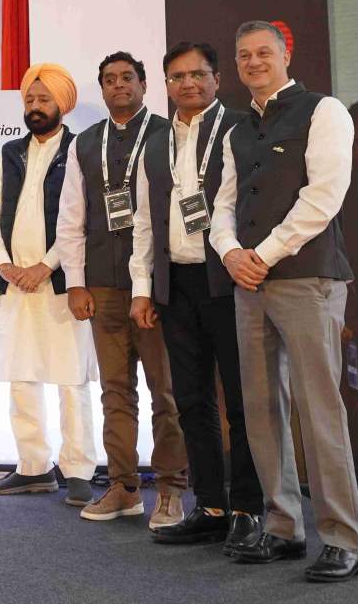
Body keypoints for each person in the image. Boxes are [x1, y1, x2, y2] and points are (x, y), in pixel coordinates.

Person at [209, 20, 358, 581]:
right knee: (260, 410)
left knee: (319, 410)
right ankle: (283, 527)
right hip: (249, 282)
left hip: (307, 280)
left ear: (285, 54)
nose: (253, 62)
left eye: (264, 53)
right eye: (244, 54)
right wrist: (229, 252)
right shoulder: (236, 129)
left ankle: (343, 537)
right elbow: (221, 203)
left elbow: (323, 197)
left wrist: (262, 254)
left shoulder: (324, 112)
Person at [127, 42, 263, 552]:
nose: (187, 84)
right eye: (177, 76)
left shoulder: (240, 128)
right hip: (176, 288)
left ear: (217, 77)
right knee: (191, 400)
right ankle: (209, 506)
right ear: (165, 84)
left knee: (244, 403)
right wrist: (143, 289)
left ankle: (249, 508)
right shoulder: (157, 140)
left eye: (197, 74)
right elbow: (144, 220)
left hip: (229, 283)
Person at [56, 51, 188, 529]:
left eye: (127, 78)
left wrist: (152, 285)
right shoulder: (83, 144)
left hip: (155, 286)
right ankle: (124, 486)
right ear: (102, 89)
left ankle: (171, 490)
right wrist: (74, 283)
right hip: (103, 285)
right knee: (115, 390)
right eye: (109, 80)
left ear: (144, 84)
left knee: (166, 392)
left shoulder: (168, 134)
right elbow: (71, 215)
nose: (119, 86)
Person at [0, 63, 98, 507]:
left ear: (62, 104)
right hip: (12, 284)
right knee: (20, 373)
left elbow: (82, 218)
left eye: (43, 99)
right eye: (30, 100)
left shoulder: (80, 149)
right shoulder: (9, 152)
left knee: (71, 377)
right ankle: (33, 467)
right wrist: (6, 265)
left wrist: (47, 266)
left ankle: (79, 470)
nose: (35, 107)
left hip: (62, 282)